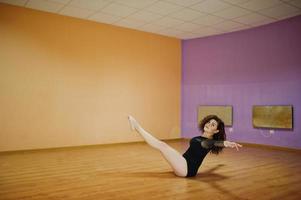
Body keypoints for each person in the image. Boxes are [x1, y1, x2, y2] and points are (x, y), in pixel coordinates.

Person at [128, 115, 242, 178]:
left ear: (216, 130)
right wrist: (217, 167)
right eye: (209, 122)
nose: (208, 124)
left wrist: (225, 143)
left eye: (213, 125)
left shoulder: (208, 142)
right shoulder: (200, 137)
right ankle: (137, 127)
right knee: (162, 146)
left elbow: (212, 144)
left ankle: (137, 127)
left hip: (186, 170)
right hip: (183, 164)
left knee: (162, 145)